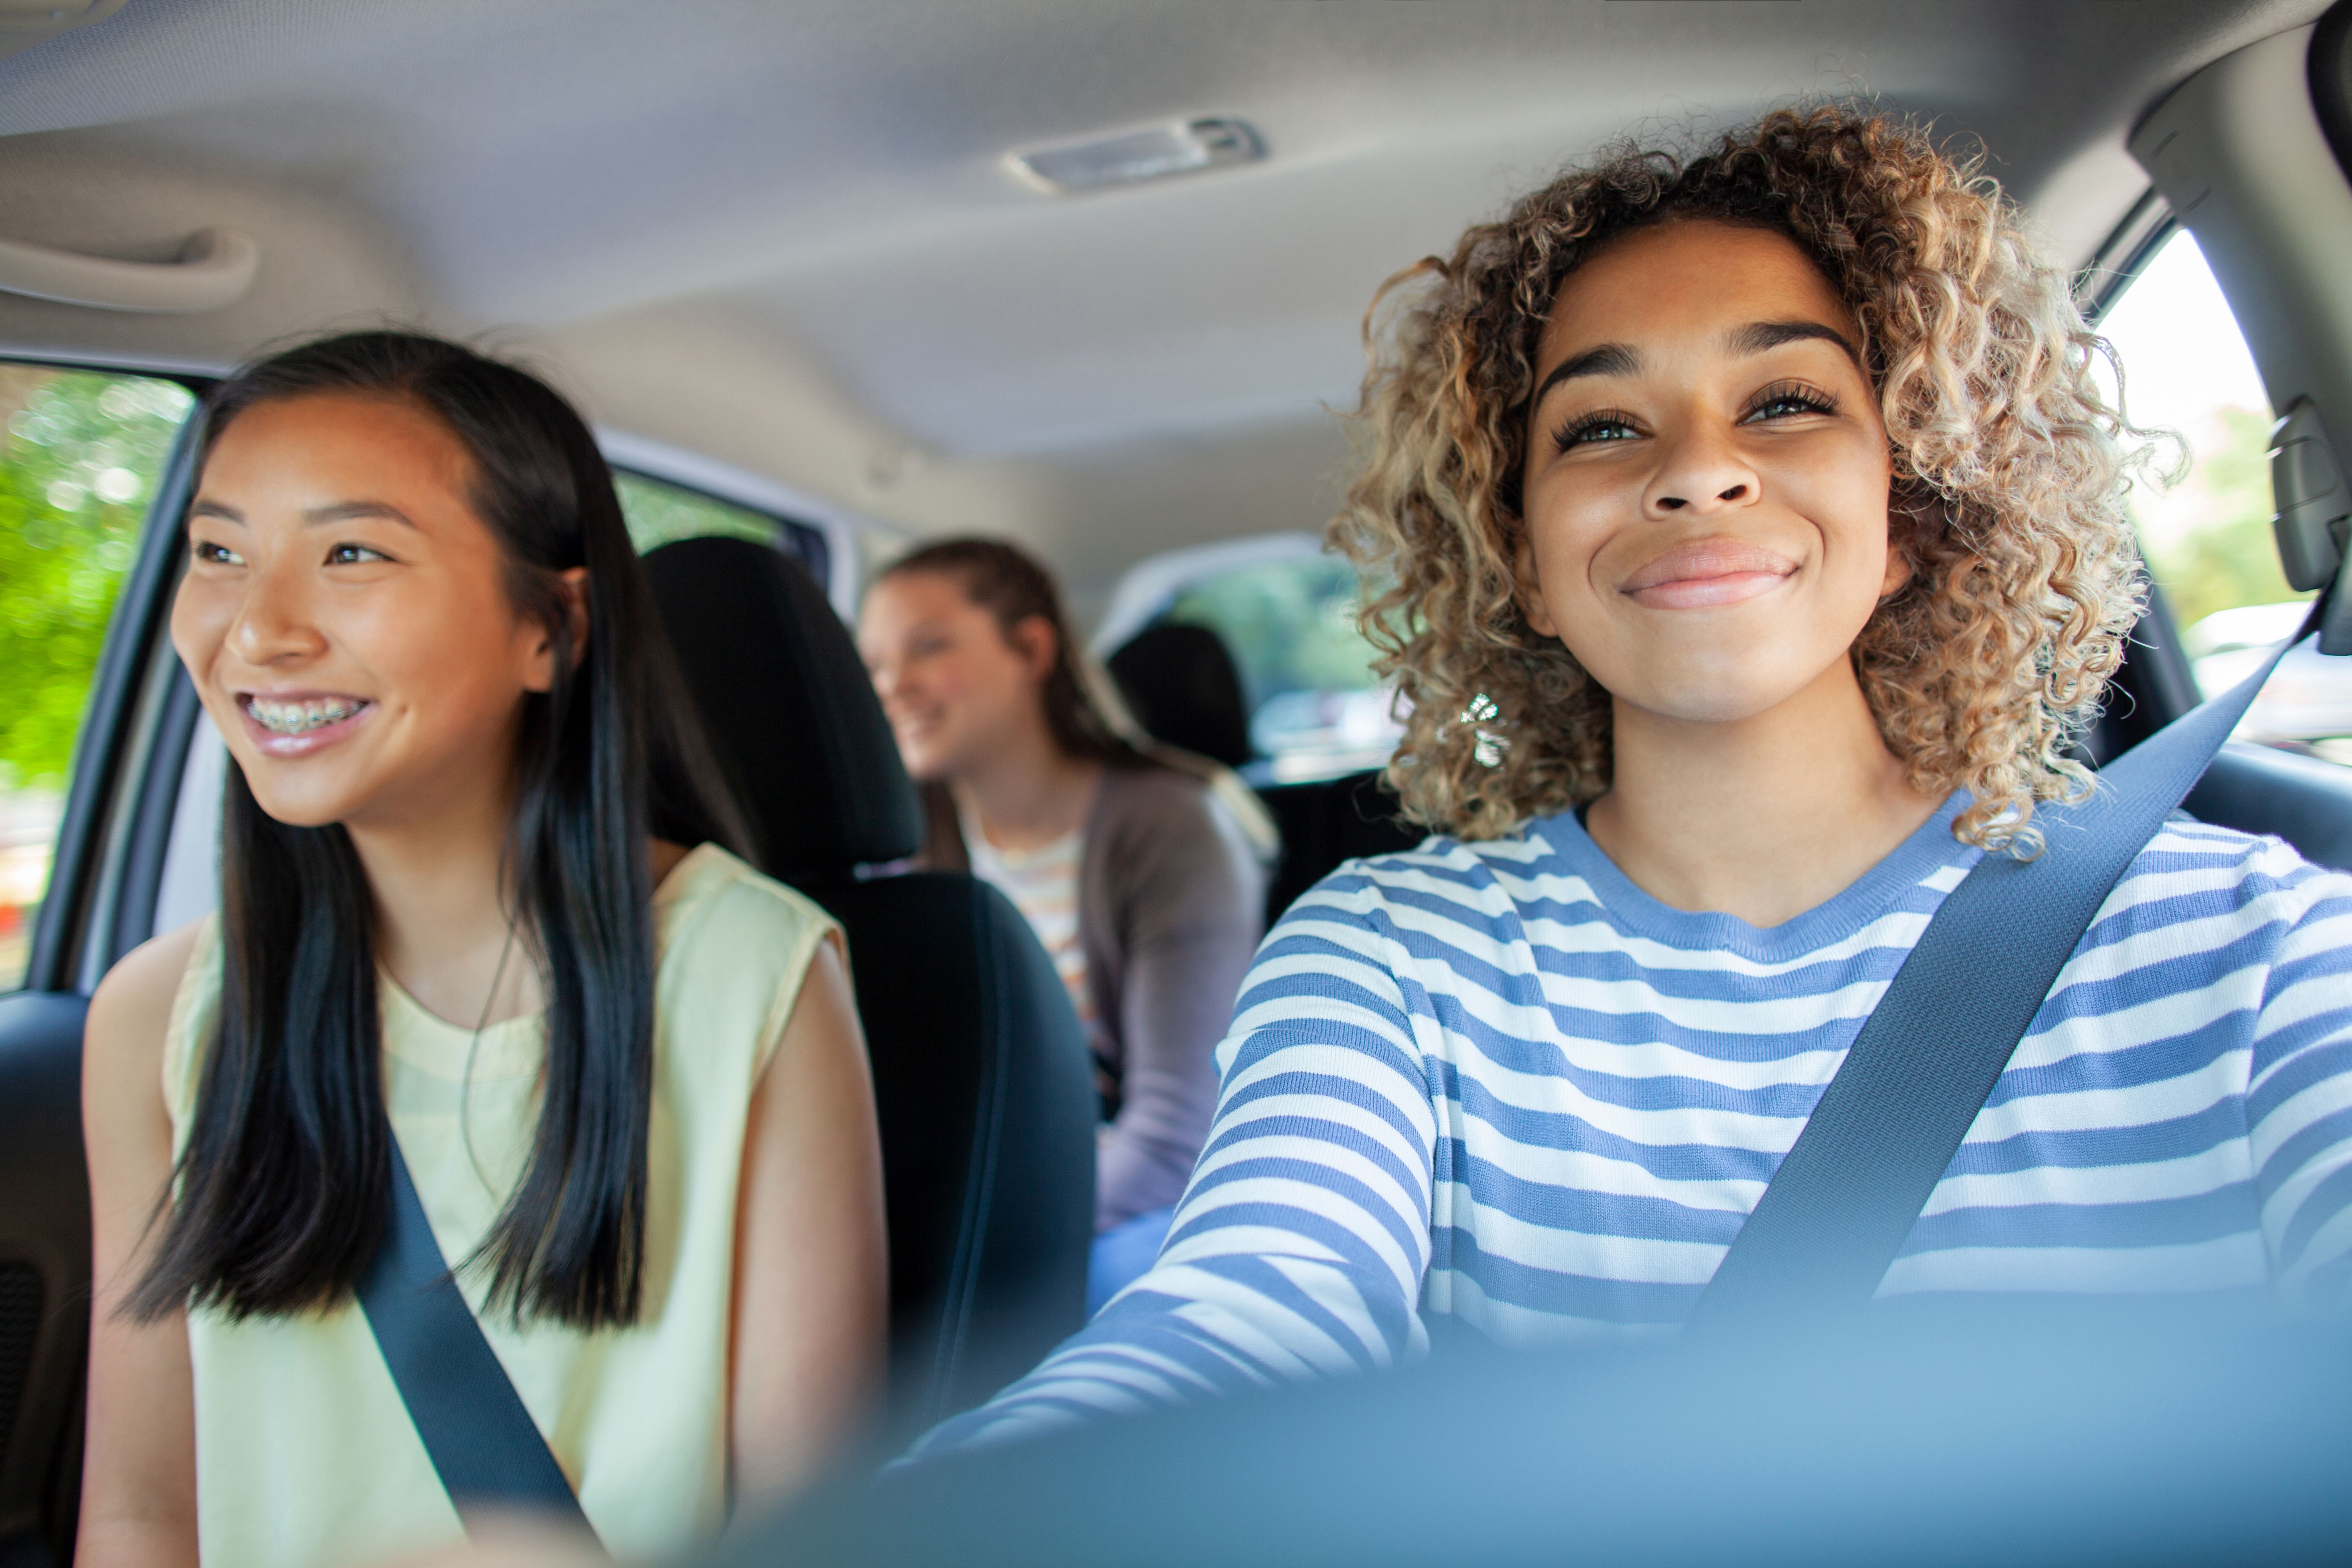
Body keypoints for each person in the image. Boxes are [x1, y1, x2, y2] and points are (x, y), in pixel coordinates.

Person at [910, 106, 2352, 1456]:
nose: (1696, 473)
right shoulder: (1393, 963)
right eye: (1602, 427)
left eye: (1783, 401)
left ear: (1906, 511)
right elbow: (1233, 1321)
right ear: (1523, 560)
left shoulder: (2249, 944)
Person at [77, 332, 888, 1568]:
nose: (258, 630)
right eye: (219, 553)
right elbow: (141, 1514)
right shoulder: (159, 1016)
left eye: (351, 553)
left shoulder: (749, 977)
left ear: (551, 629)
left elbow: (813, 1531)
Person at [857, 539, 1270, 1313]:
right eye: (875, 663)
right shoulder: (904, 848)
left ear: (1031, 648)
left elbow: (1177, 1137)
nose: (893, 686)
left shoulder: (1170, 827)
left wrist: (982, 1242)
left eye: (929, 648)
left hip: (1122, 1208)